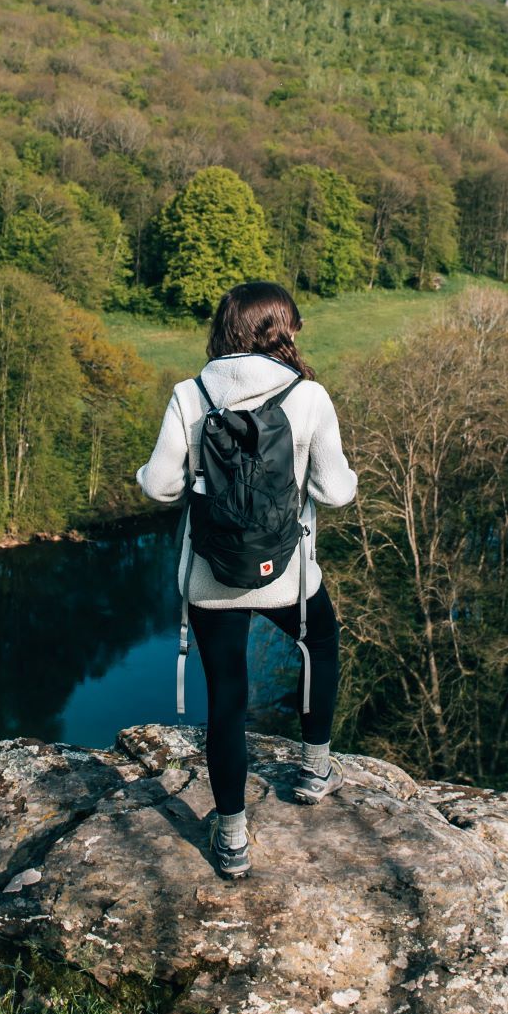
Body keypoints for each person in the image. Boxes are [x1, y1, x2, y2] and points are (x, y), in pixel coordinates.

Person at [136, 280, 357, 878]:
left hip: (212, 577)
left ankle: (231, 839)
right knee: (321, 646)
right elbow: (335, 491)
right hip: (288, 573)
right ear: (280, 330)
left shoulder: (191, 393)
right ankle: (315, 770)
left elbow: (159, 485)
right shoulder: (308, 397)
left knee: (227, 697)